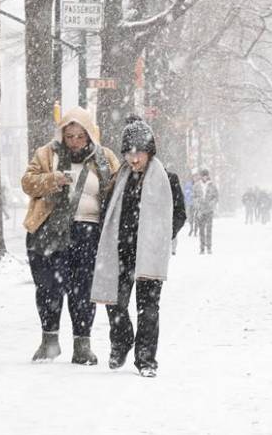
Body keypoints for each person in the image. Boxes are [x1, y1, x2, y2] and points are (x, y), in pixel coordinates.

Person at [21, 106, 120, 365]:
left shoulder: (105, 157)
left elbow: (117, 188)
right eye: (70, 136)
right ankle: (49, 341)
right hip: (50, 231)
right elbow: (28, 182)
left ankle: (82, 345)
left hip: (90, 233)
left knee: (83, 290)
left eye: (80, 136)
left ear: (89, 135)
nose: (75, 142)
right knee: (48, 288)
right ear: (62, 135)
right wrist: (52, 179)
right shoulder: (46, 154)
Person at [91, 118, 185, 377]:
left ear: (149, 152)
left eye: (139, 153)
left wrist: (161, 236)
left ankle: (146, 359)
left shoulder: (167, 179)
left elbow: (179, 214)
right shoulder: (117, 179)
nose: (133, 159)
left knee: (148, 309)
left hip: (150, 253)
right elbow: (106, 211)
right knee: (116, 303)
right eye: (129, 153)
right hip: (120, 251)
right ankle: (121, 342)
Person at [192, 168, 219, 254]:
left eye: (206, 176)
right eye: (203, 176)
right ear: (201, 176)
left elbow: (216, 197)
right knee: (201, 230)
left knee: (209, 229)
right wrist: (197, 205)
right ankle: (202, 248)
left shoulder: (212, 186)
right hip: (200, 211)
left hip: (209, 210)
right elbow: (194, 197)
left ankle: (209, 247)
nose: (204, 177)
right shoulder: (196, 186)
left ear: (208, 176)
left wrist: (212, 203)